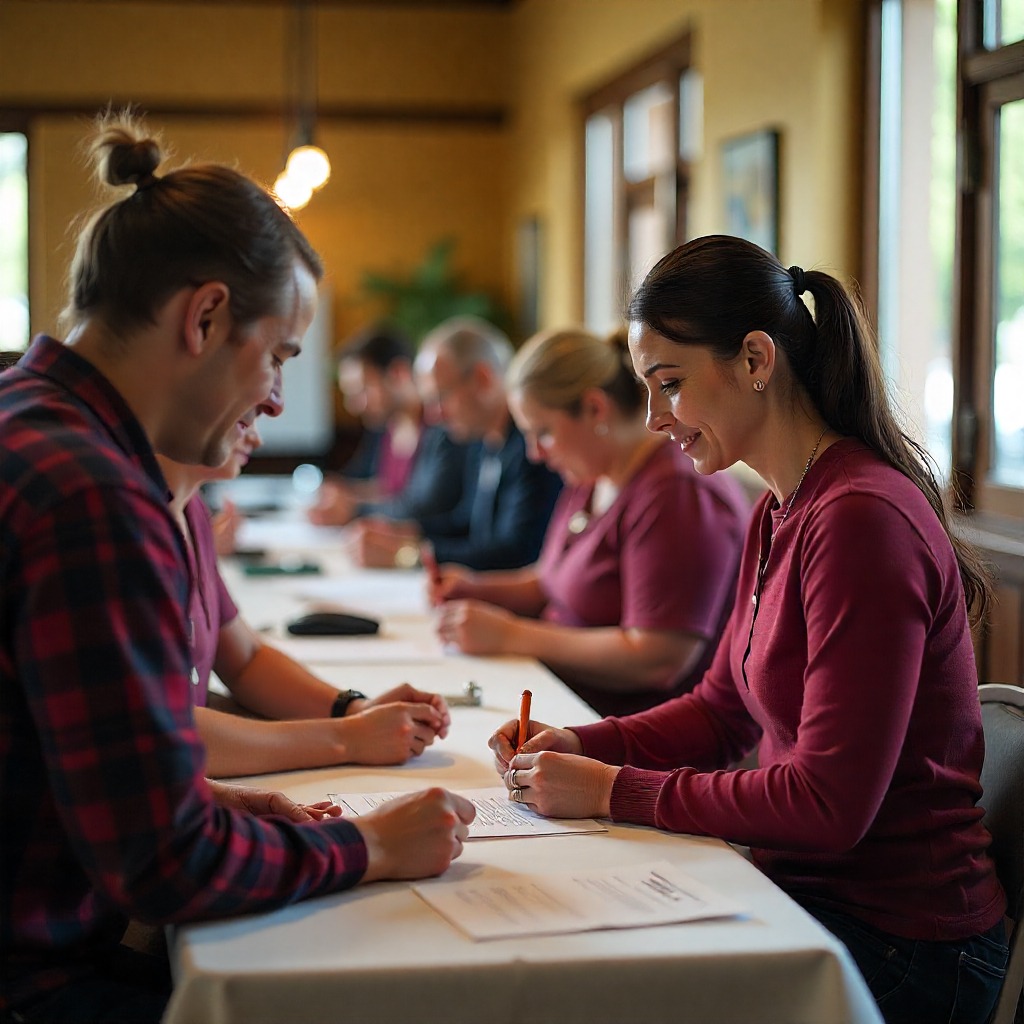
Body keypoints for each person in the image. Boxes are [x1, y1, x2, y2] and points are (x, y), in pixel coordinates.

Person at [0, 114, 473, 1024]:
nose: (277, 395)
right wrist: (371, 847)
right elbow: (167, 864)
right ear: (206, 315)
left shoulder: (38, 423)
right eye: (280, 354)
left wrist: (213, 798)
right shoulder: (95, 496)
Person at [489, 236, 1008, 1024]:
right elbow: (722, 708)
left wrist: (615, 789)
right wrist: (585, 745)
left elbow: (829, 803)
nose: (656, 419)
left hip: (903, 945)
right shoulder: (777, 508)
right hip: (812, 896)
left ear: (756, 360)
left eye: (670, 386)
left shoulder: (860, 518)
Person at [432, 327, 748, 717]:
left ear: (595, 409)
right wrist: (477, 589)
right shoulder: (593, 474)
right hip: (562, 699)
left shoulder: (677, 493)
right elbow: (551, 580)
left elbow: (657, 658)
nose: (534, 454)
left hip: (631, 735)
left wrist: (511, 635)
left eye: (543, 432)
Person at [157, 418, 452, 776]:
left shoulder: (194, 511)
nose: (256, 435)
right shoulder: (136, 526)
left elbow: (245, 659)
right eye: (242, 418)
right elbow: (167, 733)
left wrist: (355, 710)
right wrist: (348, 738)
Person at [347, 315, 562, 570]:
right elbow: (465, 523)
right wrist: (402, 532)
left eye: (441, 397)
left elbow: (518, 551)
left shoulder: (532, 447)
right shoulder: (481, 440)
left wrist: (408, 555)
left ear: (482, 379)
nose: (434, 415)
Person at [307, 323, 468, 527]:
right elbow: (371, 483)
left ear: (398, 373)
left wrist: (354, 508)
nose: (355, 406)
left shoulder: (443, 425)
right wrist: (338, 492)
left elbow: (426, 506)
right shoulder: (383, 429)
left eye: (363, 390)